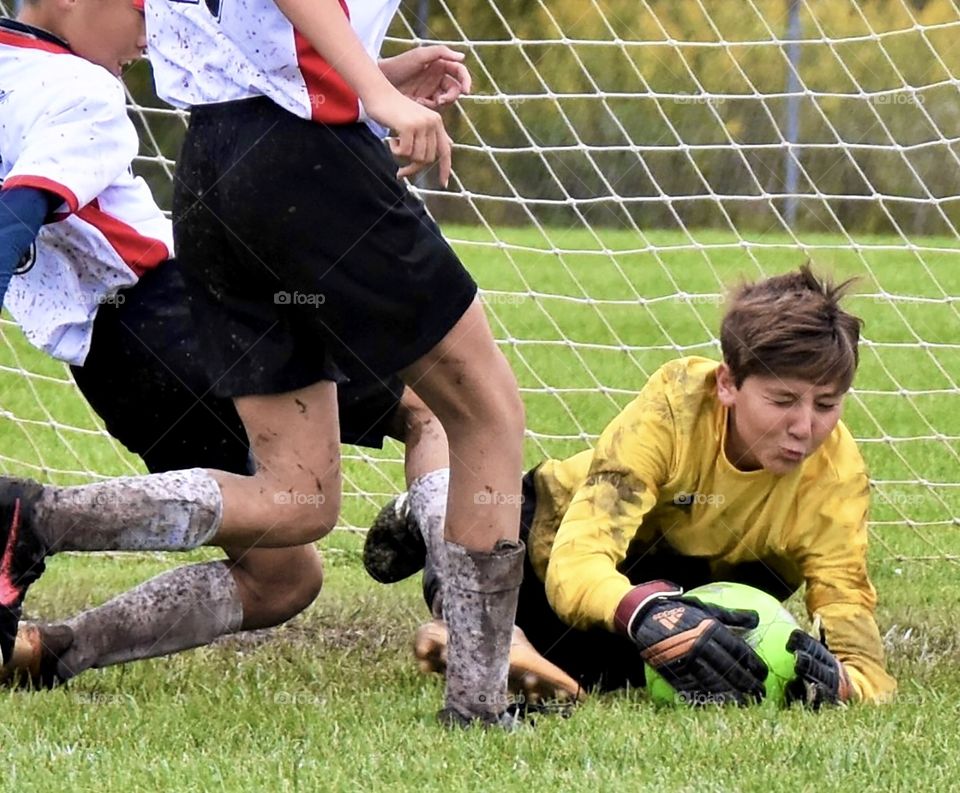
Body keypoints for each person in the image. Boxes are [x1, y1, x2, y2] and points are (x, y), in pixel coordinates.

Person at [0, 0, 526, 728]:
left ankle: (40, 541)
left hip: (211, 177)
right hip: (286, 188)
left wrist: (370, 77)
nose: (143, 26)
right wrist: (375, 95)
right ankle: (479, 691)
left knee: (296, 515)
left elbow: (242, 57)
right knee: (474, 407)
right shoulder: (74, 89)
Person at [364, 266, 898, 707]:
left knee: (597, 683)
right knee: (489, 542)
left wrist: (848, 683)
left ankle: (482, 639)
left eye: (826, 405)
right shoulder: (674, 407)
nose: (806, 428)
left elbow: (849, 612)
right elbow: (578, 562)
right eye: (783, 402)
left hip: (674, 587)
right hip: (553, 542)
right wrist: (646, 611)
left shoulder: (836, 472)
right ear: (728, 384)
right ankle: (438, 515)